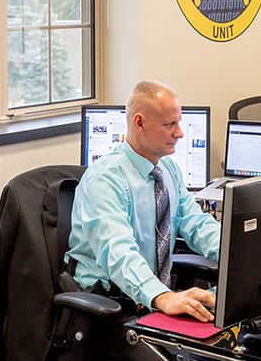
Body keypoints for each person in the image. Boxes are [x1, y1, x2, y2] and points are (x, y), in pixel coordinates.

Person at [65, 81, 220, 355]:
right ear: (139, 123)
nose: (180, 133)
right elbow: (118, 253)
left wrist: (239, 255)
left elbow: (196, 223)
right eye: (169, 124)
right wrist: (162, 296)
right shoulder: (104, 180)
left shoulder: (167, 169)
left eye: (179, 123)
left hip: (150, 297)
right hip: (111, 304)